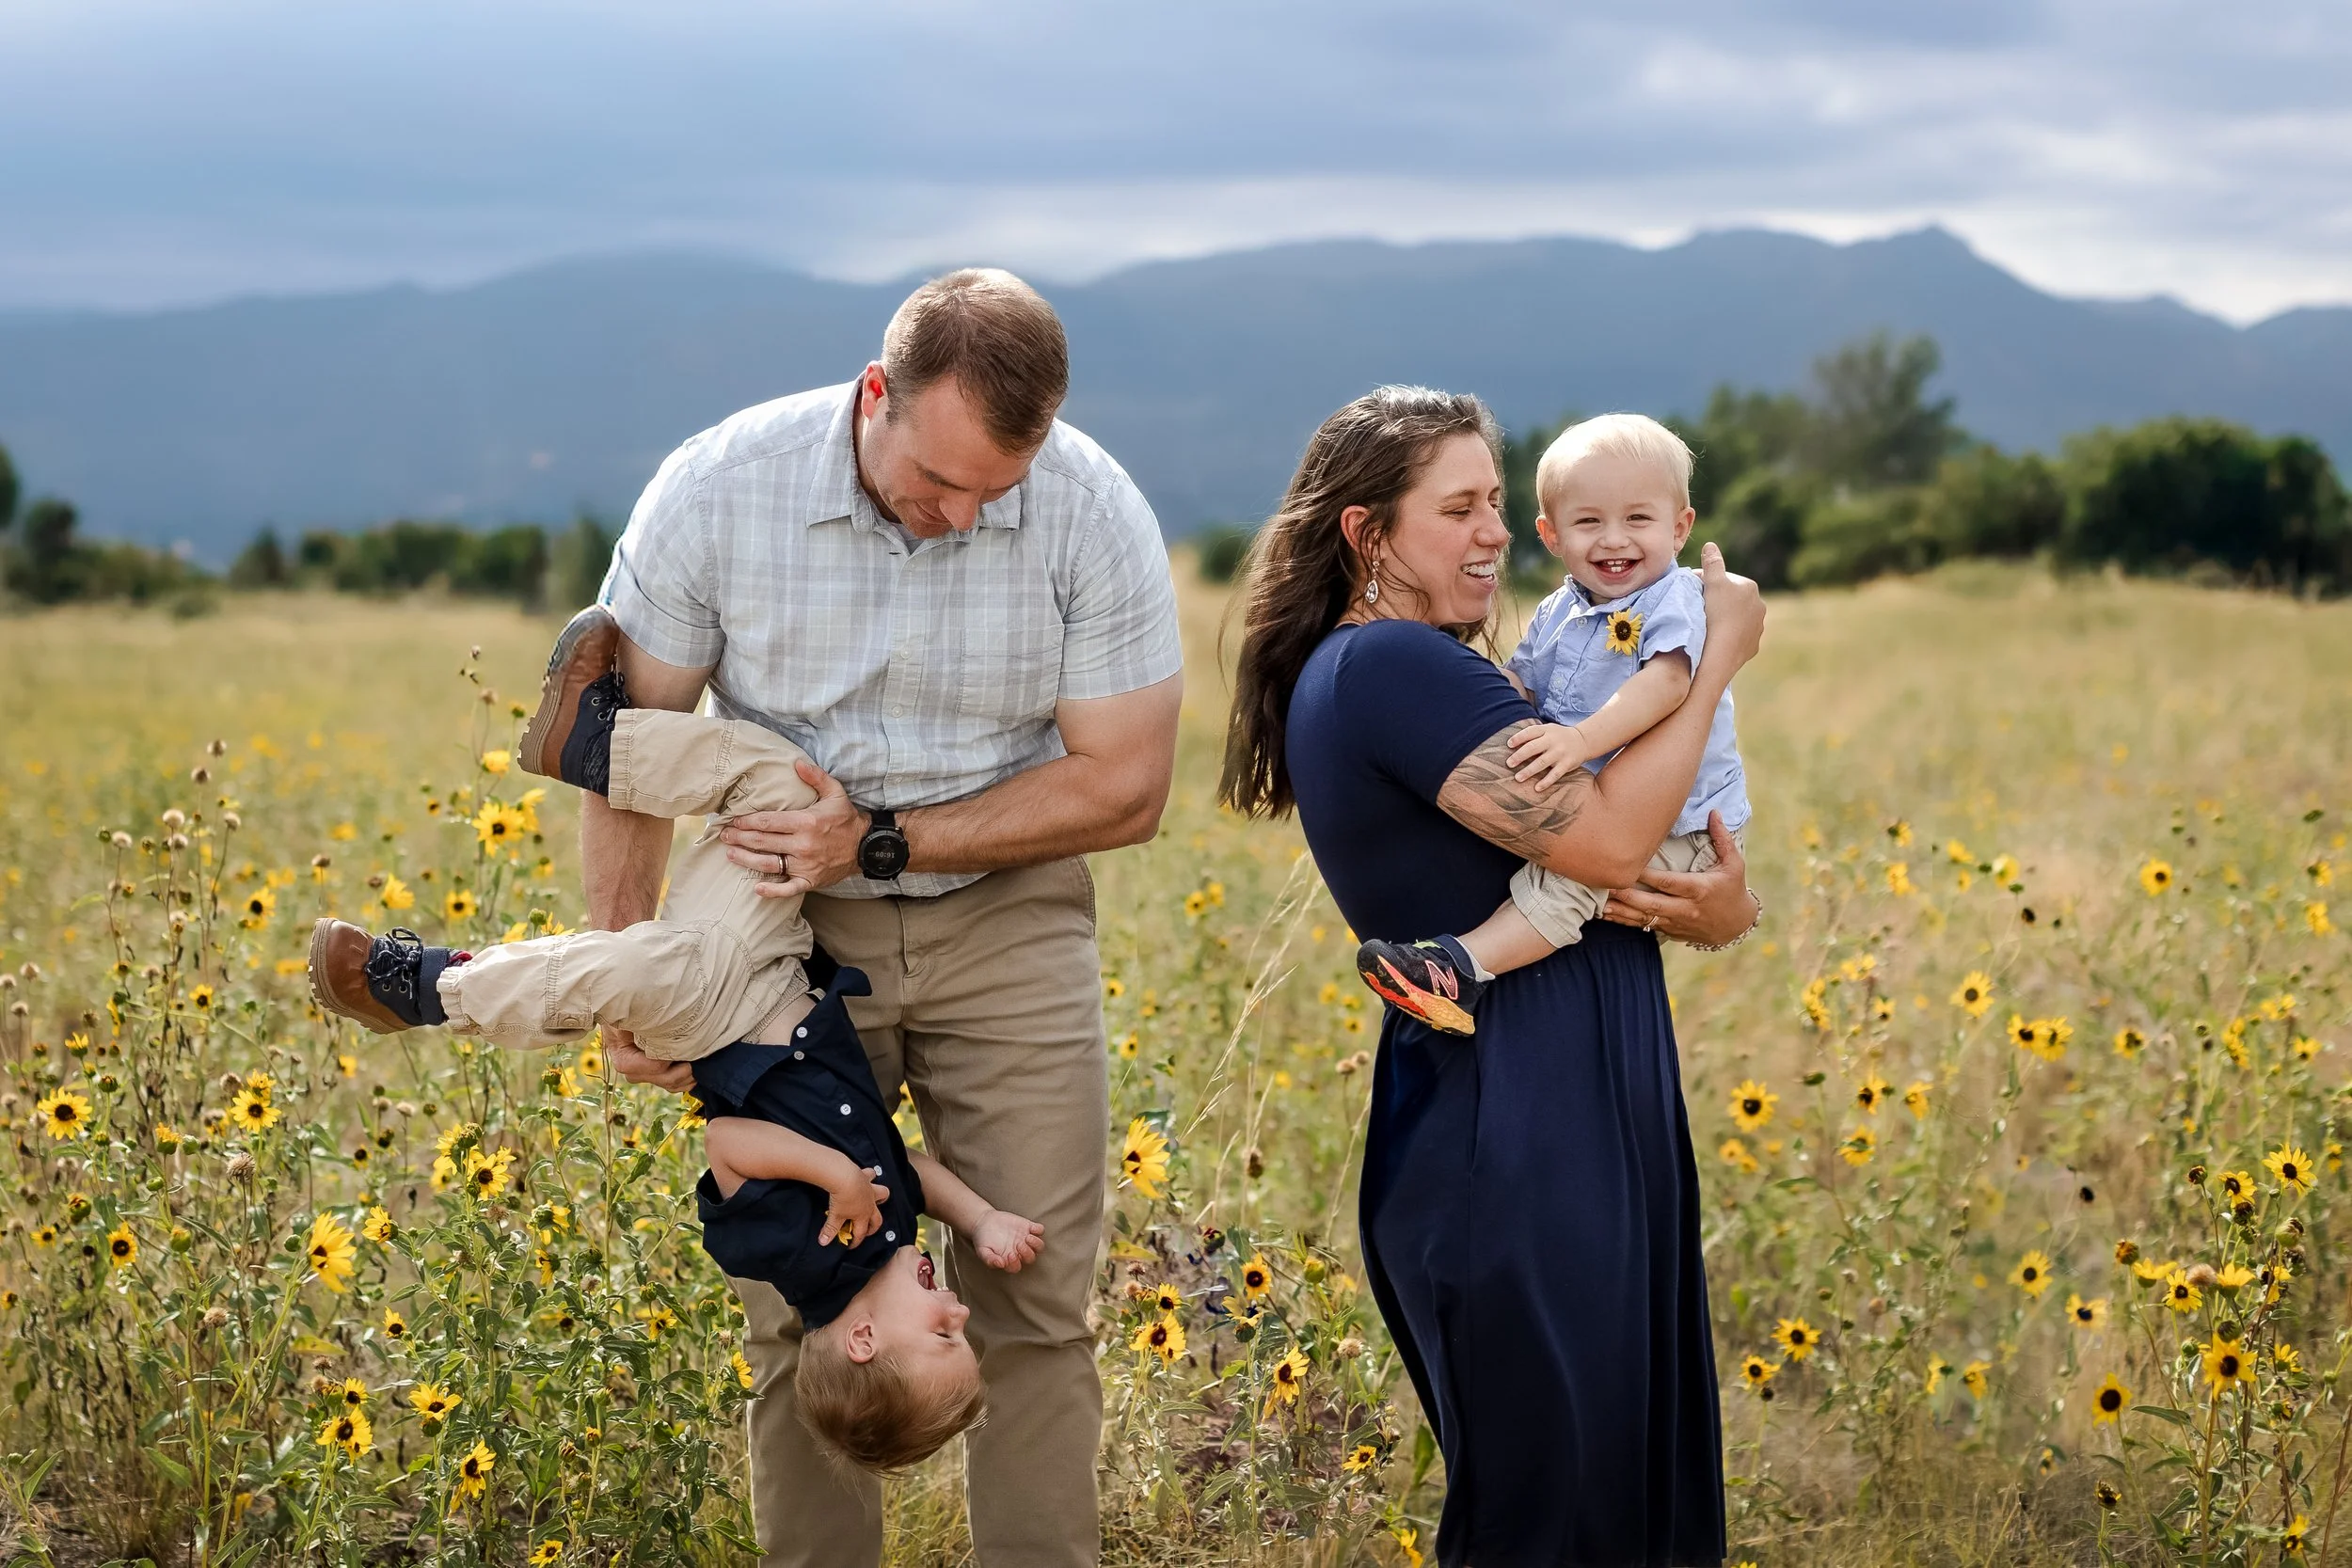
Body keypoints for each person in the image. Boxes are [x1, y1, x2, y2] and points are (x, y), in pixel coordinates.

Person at [587, 268, 1182, 1568]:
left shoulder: (1094, 508)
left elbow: (1129, 785)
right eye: (938, 483)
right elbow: (630, 743)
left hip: (1008, 912)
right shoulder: (715, 486)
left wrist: (887, 836)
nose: (966, 516)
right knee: (807, 1306)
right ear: (875, 395)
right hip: (775, 934)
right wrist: (634, 971)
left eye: (996, 493)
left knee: (1030, 1301)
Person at [1218, 386, 1765, 1567]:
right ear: (1367, 533)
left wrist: (1722, 908)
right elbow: (1611, 843)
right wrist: (1715, 653)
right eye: (1456, 508)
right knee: (1548, 1518)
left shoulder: (1438, 664)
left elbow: (1623, 877)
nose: (1492, 535)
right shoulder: (1393, 669)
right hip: (1511, 1127)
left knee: (1615, 1499)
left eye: (1495, 506)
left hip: (1576, 1105)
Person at [305, 608, 1047, 1473]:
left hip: (713, 1017)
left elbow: (727, 1141)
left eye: (945, 1339)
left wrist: (833, 1174)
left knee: (627, 968)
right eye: (966, 1332)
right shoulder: (891, 1234)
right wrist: (981, 1214)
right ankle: (595, 748)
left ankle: (424, 987)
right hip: (774, 966)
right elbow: (908, 1167)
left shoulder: (801, 1259)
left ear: (863, 1338)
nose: (961, 1314)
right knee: (788, 787)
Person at [1353, 413, 1752, 1034]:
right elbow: (1520, 681)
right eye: (1589, 521)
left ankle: (1459, 970)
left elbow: (1669, 683)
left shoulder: (1674, 598)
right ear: (1551, 534)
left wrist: (1580, 739)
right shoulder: (1559, 609)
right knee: (1566, 877)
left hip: (1685, 824)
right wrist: (1463, 695)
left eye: (1638, 519)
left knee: (1563, 883)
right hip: (1632, 818)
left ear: (1681, 527)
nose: (1613, 540)